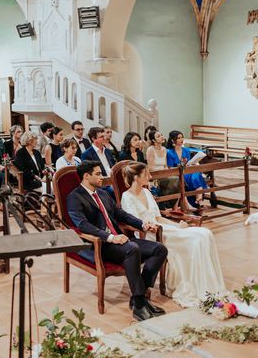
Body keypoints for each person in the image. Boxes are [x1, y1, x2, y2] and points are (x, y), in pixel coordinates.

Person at [66, 161, 168, 321]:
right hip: (99, 245)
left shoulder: (103, 194)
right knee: (132, 248)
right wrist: (111, 238)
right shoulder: (74, 197)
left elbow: (121, 214)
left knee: (160, 249)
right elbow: (82, 225)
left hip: (120, 240)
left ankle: (138, 298)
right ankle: (140, 305)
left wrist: (142, 224)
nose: (102, 177)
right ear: (86, 176)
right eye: (98, 174)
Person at [120, 162, 226, 307]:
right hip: (148, 234)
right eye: (146, 174)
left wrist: (178, 225)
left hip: (162, 227)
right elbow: (135, 223)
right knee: (196, 240)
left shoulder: (147, 192)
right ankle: (194, 285)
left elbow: (158, 217)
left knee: (205, 234)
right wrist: (152, 228)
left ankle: (208, 283)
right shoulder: (127, 197)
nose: (150, 176)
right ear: (137, 177)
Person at [166, 130, 208, 209]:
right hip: (177, 173)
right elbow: (170, 168)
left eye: (182, 137)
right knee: (196, 174)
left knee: (196, 172)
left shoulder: (186, 150)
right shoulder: (169, 152)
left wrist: (192, 163)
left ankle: (198, 197)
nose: (181, 139)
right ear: (172, 140)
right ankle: (199, 197)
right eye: (178, 138)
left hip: (186, 171)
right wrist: (179, 167)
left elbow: (188, 163)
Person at [146, 130, 179, 205]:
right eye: (158, 136)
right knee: (175, 179)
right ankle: (169, 203)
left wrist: (167, 172)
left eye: (161, 135)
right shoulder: (150, 149)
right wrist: (163, 173)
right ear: (153, 140)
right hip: (155, 175)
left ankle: (174, 204)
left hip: (164, 174)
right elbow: (150, 167)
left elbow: (165, 165)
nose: (161, 137)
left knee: (179, 178)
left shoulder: (164, 149)